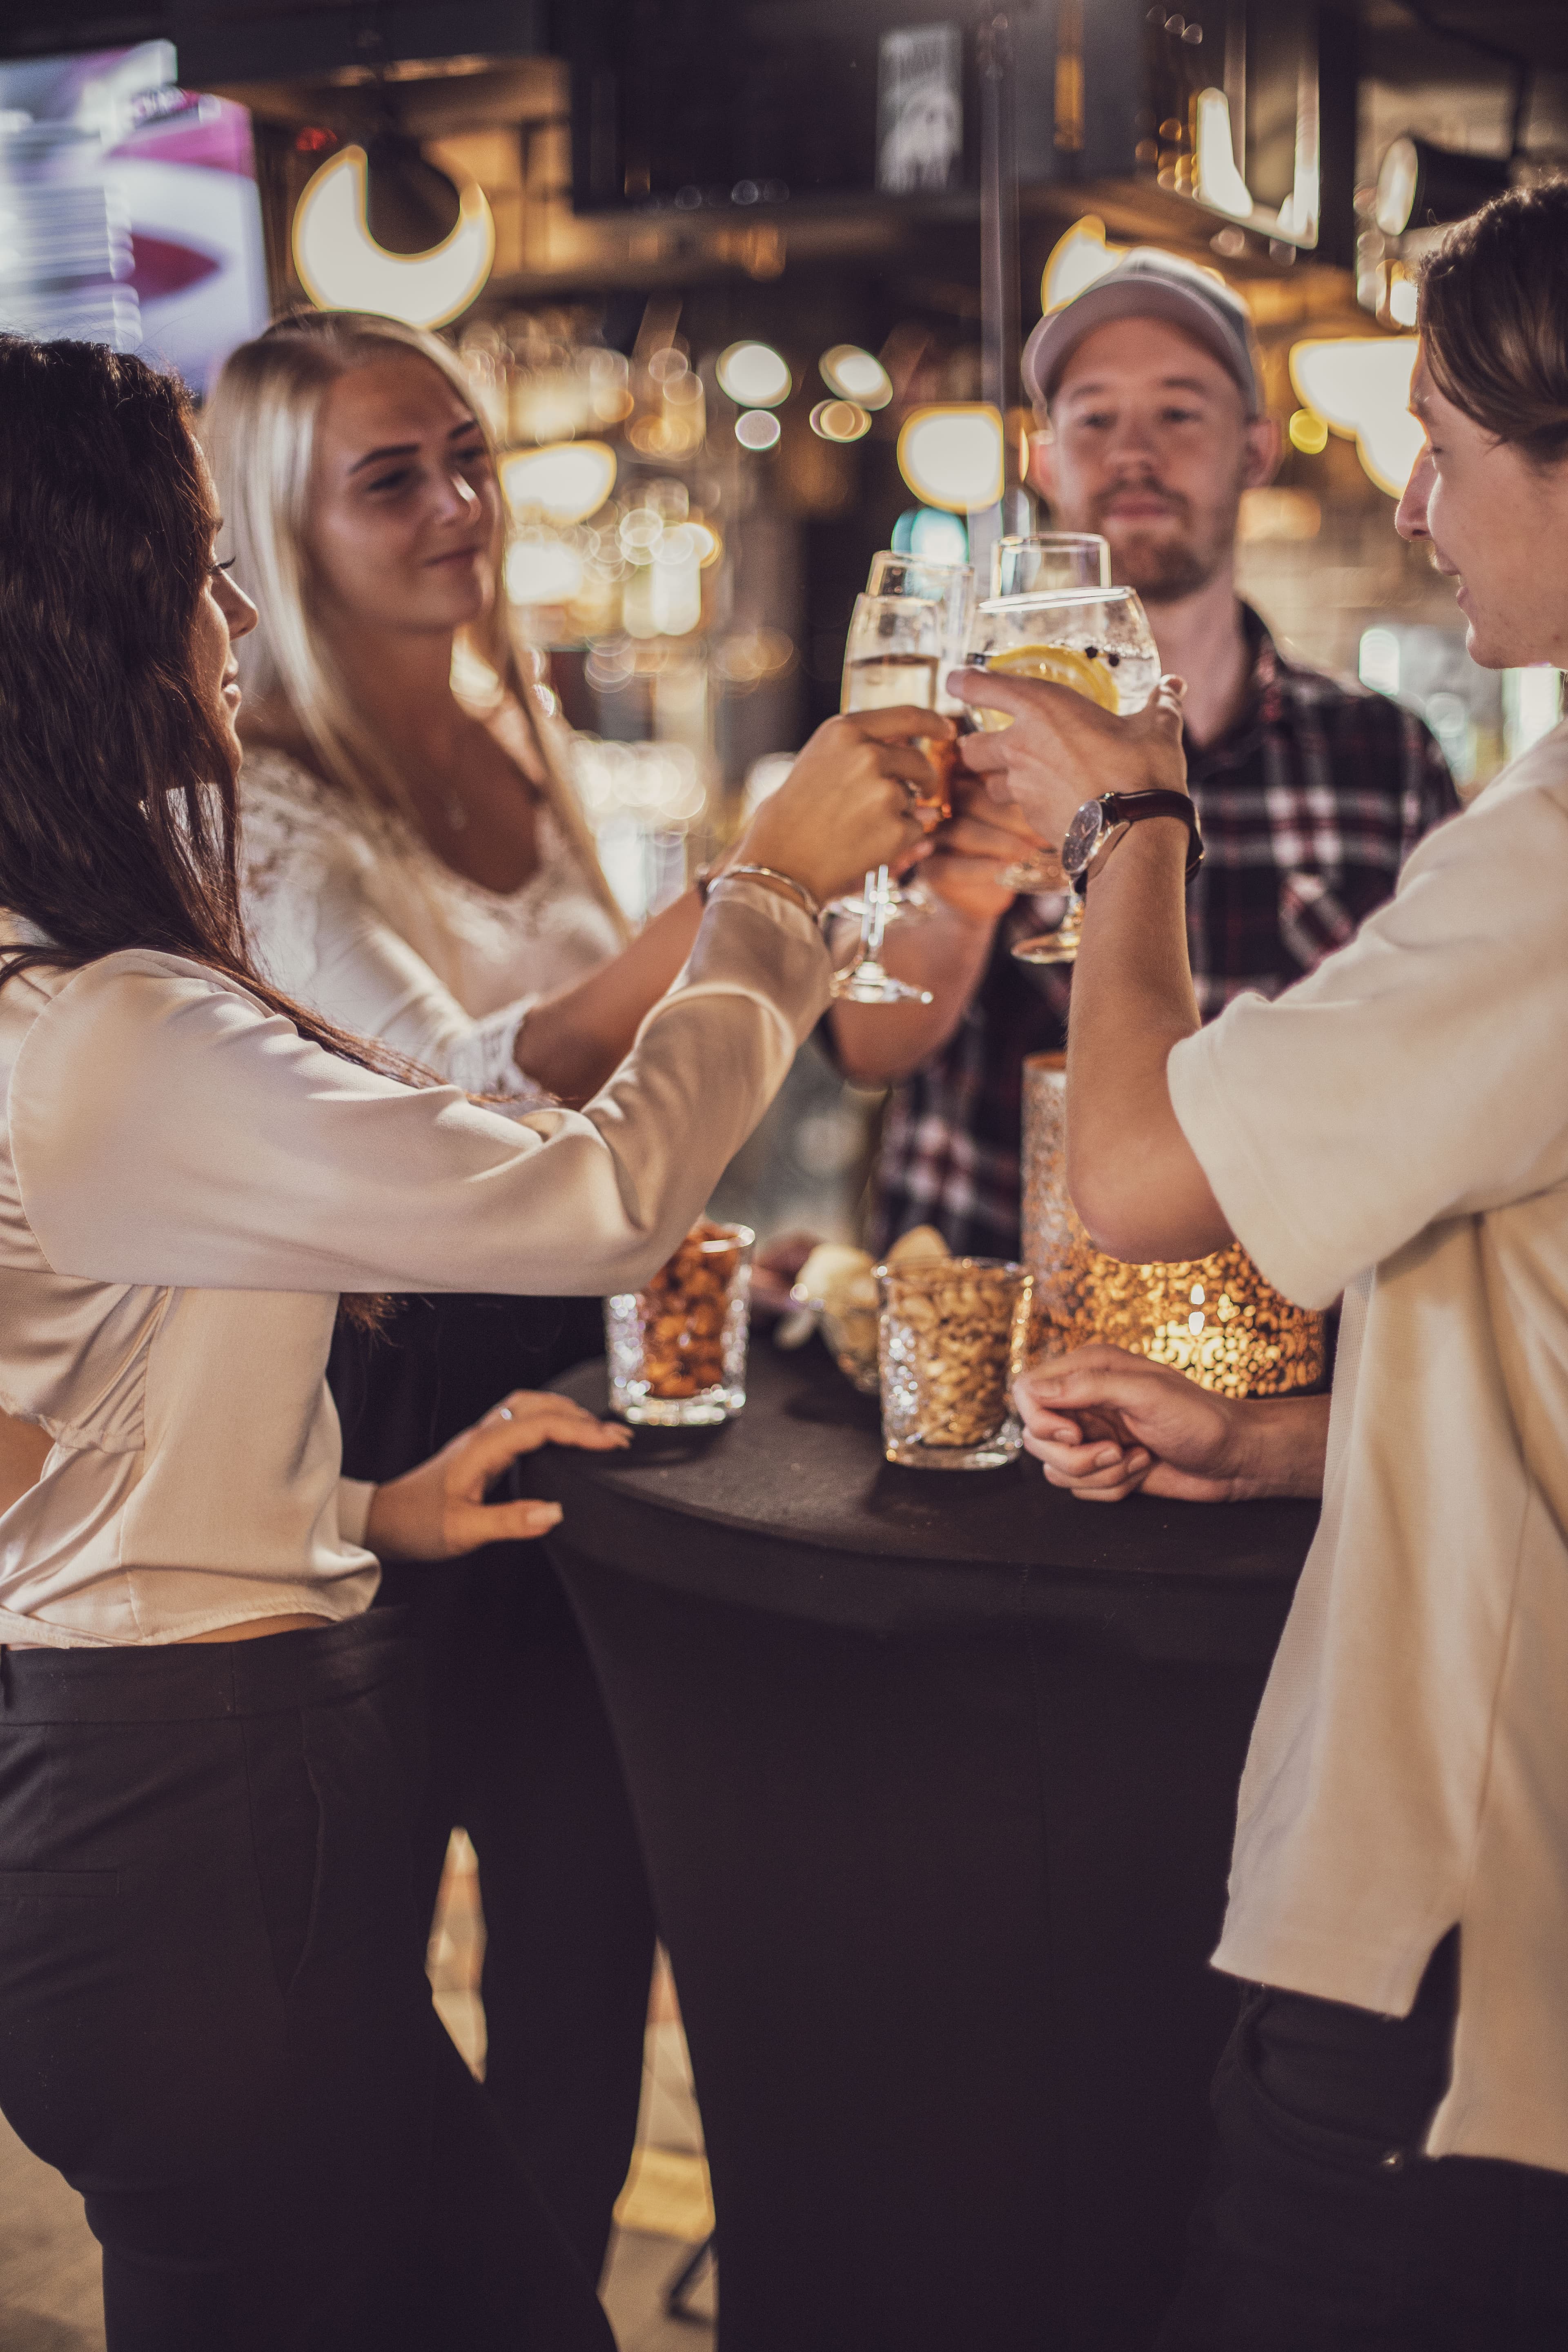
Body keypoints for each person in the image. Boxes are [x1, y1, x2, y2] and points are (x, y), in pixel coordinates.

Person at [0, 331, 932, 2350]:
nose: (236, 613)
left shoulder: (56, 998)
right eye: (199, 564)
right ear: (88, 609)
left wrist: (361, 1504)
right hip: (197, 1848)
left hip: (156, 1831)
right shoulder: (111, 1035)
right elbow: (598, 1195)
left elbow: (38, 1449)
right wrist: (770, 893)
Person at [974, 181, 1568, 2348]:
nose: (1412, 504)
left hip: (1481, 1924)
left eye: (1444, 444)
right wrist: (1287, 1439)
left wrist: (1130, 826)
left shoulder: (1547, 853)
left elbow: (1136, 1177)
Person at [203, 309, 742, 2278]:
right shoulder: (264, 807)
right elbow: (458, 1105)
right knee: (355, 1961)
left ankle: (544, 2300)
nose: (458, 507)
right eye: (392, 479)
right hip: (395, 1390)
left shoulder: (520, 735)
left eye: (467, 457)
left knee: (591, 1925)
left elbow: (634, 1080)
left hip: (577, 1385)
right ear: (282, 529)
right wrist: (746, 900)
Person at [831, 247, 1459, 1261]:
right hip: (987, 1306)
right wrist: (960, 894)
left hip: (1276, 1309)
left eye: (1177, 412)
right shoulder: (956, 731)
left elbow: (1432, 1068)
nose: (1133, 453)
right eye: (1094, 419)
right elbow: (868, 1046)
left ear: (1255, 450)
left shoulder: (1382, 756)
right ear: (1045, 463)